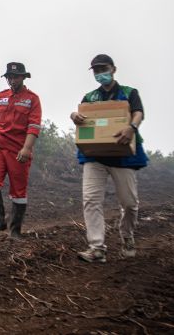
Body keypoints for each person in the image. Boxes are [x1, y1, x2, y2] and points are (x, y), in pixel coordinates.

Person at [70, 54, 147, 263]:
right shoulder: (90, 97)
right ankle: (97, 248)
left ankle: (127, 236)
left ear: (113, 69)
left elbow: (139, 113)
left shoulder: (129, 93)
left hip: (122, 155)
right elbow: (80, 117)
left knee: (130, 203)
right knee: (91, 200)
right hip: (94, 156)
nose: (99, 73)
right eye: (95, 70)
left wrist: (131, 128)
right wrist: (73, 116)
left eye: (102, 69)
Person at [0, 62, 42, 240]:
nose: (12, 80)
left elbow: (33, 126)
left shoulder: (32, 98)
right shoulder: (1, 96)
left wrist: (26, 148)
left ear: (23, 77)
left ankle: (15, 230)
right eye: (9, 77)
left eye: (16, 76)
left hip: (19, 149)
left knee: (18, 190)